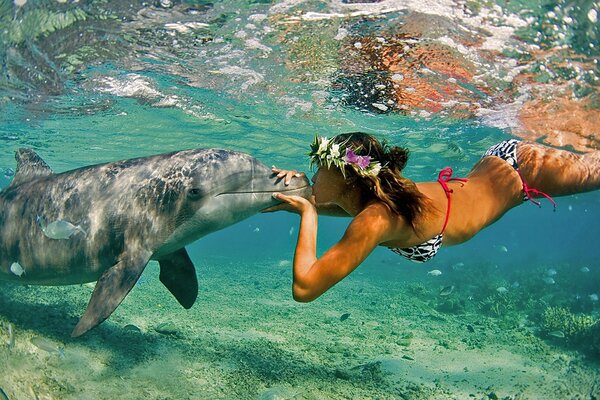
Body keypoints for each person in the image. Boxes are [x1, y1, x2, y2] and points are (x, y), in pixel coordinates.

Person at [266, 132, 600, 302]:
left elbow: (305, 288)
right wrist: (292, 190)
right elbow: (328, 201)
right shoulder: (374, 193)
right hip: (500, 161)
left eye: (320, 170)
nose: (315, 177)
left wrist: (307, 212)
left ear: (349, 178)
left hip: (524, 170)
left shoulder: (375, 218)